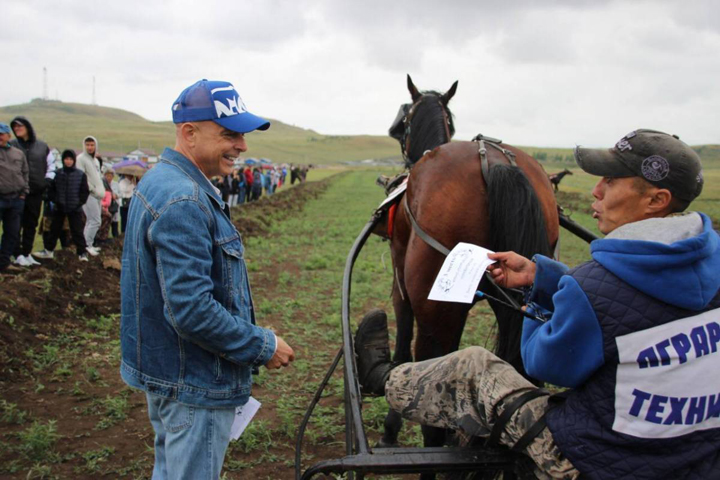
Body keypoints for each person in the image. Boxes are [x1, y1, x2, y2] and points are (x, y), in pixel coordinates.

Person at [354, 129, 719, 480]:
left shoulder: (591, 289)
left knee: (474, 367)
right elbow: (629, 306)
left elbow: (541, 361)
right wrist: (545, 276)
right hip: (698, 454)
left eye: (611, 180)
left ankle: (381, 377)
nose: (596, 190)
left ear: (656, 200)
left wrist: (535, 297)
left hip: (603, 461)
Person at [120, 79, 295, 480]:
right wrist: (263, 345)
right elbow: (192, 311)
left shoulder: (162, 181)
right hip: (194, 386)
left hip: (173, 376)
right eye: (230, 134)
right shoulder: (184, 200)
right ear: (189, 132)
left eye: (243, 135)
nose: (243, 145)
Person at [9, 117, 51, 267]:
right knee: (15, 224)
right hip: (17, 192)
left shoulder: (42, 146)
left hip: (36, 191)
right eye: (14, 127)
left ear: (27, 127)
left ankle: (27, 253)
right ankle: (17, 254)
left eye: (20, 126)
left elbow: (51, 165)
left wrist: (46, 181)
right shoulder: (11, 145)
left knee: (31, 223)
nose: (17, 129)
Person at [34, 150, 90, 261]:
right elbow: (51, 190)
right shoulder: (57, 174)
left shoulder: (80, 174)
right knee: (54, 230)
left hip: (75, 208)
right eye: (66, 159)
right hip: (59, 207)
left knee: (77, 231)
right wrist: (56, 200)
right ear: (63, 160)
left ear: (74, 160)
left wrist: (79, 203)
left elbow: (84, 191)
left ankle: (82, 253)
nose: (68, 161)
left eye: (70, 159)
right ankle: (49, 251)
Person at [0, 123, 28, 273]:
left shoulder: (18, 153)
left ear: (8, 136)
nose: (0, 137)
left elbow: (25, 173)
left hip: (16, 199)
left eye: (2, 134)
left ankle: (4, 263)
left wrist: (24, 192)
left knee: (12, 232)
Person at [75, 136, 105, 256]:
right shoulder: (81, 159)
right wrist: (91, 189)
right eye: (87, 145)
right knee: (95, 220)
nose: (90, 147)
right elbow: (82, 176)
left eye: (92, 145)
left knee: (91, 221)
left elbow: (97, 177)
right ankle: (87, 245)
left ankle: (88, 244)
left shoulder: (96, 161)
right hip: (88, 194)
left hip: (97, 195)